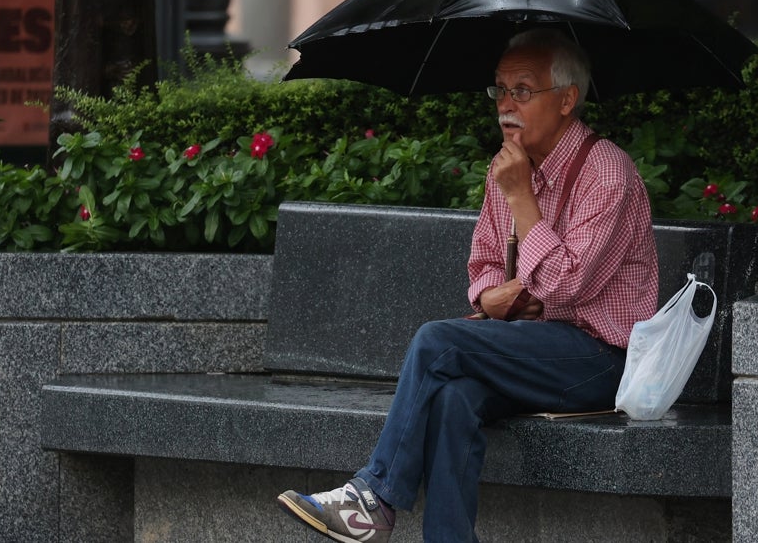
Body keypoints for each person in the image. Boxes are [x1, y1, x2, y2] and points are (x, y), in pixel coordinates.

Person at [276, 28, 659, 542]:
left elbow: (568, 287)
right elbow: (481, 266)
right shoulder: (506, 169)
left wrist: (522, 198)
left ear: (567, 99)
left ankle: (375, 497)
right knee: (455, 396)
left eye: (522, 90)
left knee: (438, 341)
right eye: (499, 90)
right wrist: (488, 297)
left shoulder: (606, 172)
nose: (506, 104)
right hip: (529, 351)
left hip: (599, 361)